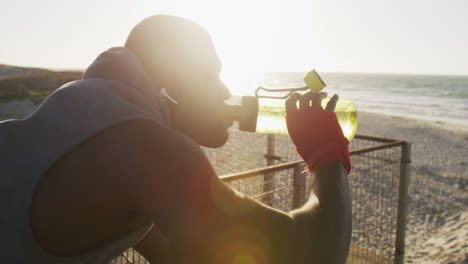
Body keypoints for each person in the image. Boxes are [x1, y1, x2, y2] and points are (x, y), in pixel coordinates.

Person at [0, 15, 351, 263]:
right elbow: (311, 253)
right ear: (170, 84)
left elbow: (172, 252)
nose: (226, 90)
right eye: (211, 74)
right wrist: (325, 151)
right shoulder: (144, 146)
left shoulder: (88, 108)